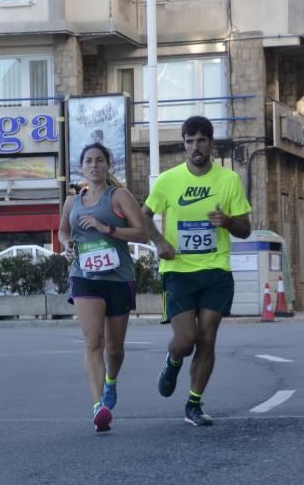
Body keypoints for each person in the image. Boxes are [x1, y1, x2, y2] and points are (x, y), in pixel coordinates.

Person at [143, 115, 252, 426]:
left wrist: (228, 222)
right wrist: (159, 241)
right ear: (184, 145)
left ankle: (194, 403)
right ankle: (173, 359)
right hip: (178, 271)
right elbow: (144, 214)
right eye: (189, 141)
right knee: (185, 340)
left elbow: (245, 229)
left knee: (207, 338)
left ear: (211, 143)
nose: (195, 146)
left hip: (215, 270)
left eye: (201, 140)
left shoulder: (228, 180)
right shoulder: (168, 180)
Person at [58, 143, 147, 432]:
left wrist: (106, 228)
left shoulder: (119, 196)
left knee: (114, 348)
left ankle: (111, 381)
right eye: (88, 161)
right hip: (84, 275)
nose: (94, 165)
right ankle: (99, 407)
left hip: (118, 276)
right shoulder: (73, 202)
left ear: (108, 165)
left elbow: (142, 232)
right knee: (93, 341)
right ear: (81, 167)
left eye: (99, 160)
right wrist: (67, 244)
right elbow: (63, 230)